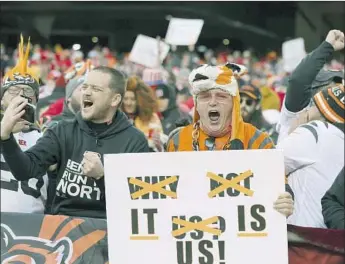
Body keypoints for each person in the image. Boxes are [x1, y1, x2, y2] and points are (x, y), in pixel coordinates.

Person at [1, 66, 149, 219]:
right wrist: (6, 138)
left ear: (115, 99)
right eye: (85, 87)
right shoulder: (63, 131)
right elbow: (24, 170)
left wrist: (103, 177)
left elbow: (139, 199)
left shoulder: (135, 141)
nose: (87, 92)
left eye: (96, 89)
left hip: (108, 229)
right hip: (63, 228)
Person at [166, 62, 294, 218]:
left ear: (233, 103)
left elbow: (281, 186)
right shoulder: (178, 140)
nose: (213, 102)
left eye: (221, 96)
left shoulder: (258, 140)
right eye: (205, 97)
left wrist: (285, 201)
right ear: (197, 105)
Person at [278, 83, 344, 228]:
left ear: (323, 110)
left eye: (313, 103)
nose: (308, 108)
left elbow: (268, 164)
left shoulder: (316, 132)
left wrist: (292, 131)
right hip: (333, 238)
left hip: (302, 237)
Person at [0, 35, 48, 213]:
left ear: (35, 99)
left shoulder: (46, 137)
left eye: (27, 91)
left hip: (32, 227)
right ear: (1, 100)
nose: (20, 96)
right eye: (12, 91)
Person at [276, 29, 344, 143]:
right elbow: (298, 80)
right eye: (332, 86)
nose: (337, 93)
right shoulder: (300, 109)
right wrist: (327, 46)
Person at [122, 76, 166, 152]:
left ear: (140, 100)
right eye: (125, 99)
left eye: (133, 99)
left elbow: (159, 148)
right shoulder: (117, 118)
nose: (128, 103)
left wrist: (158, 145)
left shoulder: (151, 118)